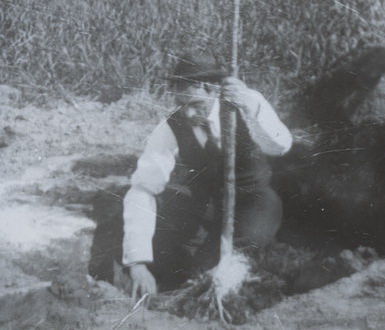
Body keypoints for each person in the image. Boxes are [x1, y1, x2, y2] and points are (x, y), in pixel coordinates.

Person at [121, 52, 292, 299]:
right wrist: (137, 262)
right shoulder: (171, 126)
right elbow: (143, 187)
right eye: (182, 105)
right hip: (208, 205)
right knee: (187, 260)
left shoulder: (245, 102)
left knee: (239, 253)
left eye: (196, 105)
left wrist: (249, 107)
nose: (188, 115)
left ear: (212, 90)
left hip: (254, 199)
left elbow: (281, 145)